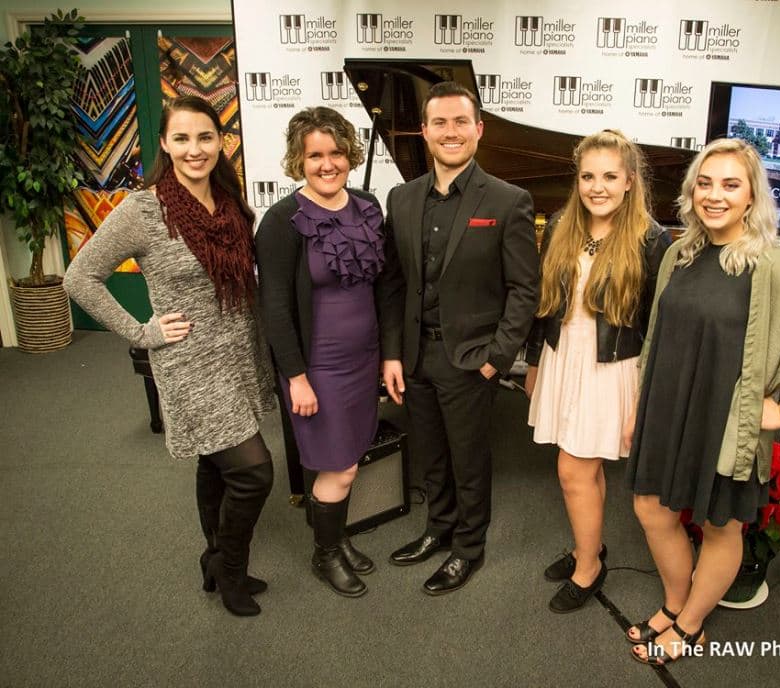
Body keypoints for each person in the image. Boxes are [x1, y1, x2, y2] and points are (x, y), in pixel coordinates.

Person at [626, 138, 780, 663]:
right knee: (650, 508)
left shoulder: (771, 264)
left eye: (731, 184)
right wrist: (642, 403)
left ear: (752, 196)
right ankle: (673, 604)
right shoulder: (679, 253)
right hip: (669, 406)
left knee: (720, 524)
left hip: (725, 418)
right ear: (691, 191)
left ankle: (688, 626)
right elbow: (657, 336)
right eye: (705, 183)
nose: (715, 196)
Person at [63, 95, 276, 617]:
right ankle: (230, 571)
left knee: (215, 461)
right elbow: (79, 277)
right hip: (190, 363)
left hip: (239, 353)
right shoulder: (143, 210)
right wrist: (141, 330)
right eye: (181, 138)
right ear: (164, 143)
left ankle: (213, 557)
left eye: (205, 137)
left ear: (220, 142)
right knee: (253, 472)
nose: (195, 149)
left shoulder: (230, 200)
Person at [377, 81, 540, 595]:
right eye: (440, 123)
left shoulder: (509, 200)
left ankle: (469, 547)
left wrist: (497, 359)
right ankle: (438, 529)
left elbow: (524, 290)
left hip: (471, 359)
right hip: (414, 355)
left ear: (478, 130)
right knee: (430, 453)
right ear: (424, 132)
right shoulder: (400, 198)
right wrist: (391, 354)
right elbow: (392, 282)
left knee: (470, 459)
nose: (451, 132)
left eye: (460, 122)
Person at [524, 129, 670, 613]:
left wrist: (647, 398)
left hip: (612, 368)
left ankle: (589, 568)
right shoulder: (564, 220)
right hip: (563, 357)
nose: (597, 186)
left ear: (630, 180)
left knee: (574, 470)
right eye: (588, 176)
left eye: (610, 176)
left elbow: (657, 328)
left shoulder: (653, 239)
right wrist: (532, 363)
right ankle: (590, 546)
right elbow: (542, 306)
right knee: (587, 468)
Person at [255, 107, 384, 598]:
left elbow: (381, 287)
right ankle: (324, 553)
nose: (327, 164)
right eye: (315, 155)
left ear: (349, 154)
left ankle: (337, 537)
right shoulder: (283, 220)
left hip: (363, 359)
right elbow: (275, 305)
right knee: (340, 465)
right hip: (319, 367)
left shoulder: (367, 205)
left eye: (335, 153)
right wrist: (296, 376)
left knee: (349, 454)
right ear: (298, 160)